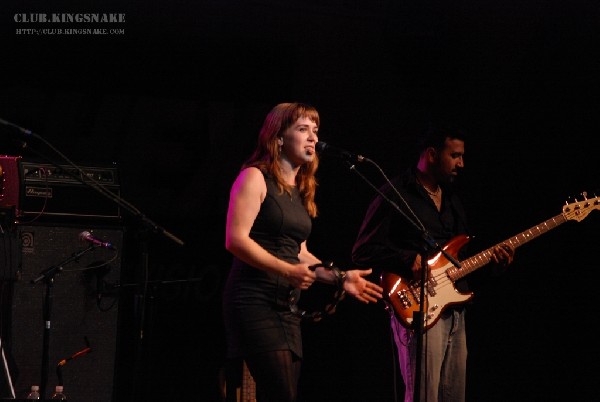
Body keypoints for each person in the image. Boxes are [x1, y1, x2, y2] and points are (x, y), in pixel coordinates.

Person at [223, 102, 383, 402]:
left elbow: (300, 253)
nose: (313, 137)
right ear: (279, 137)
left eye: (315, 130)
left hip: (286, 308)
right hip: (253, 300)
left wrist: (340, 277)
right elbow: (235, 240)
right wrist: (286, 270)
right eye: (302, 129)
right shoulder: (254, 178)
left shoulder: (300, 189)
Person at [351, 124, 515, 402]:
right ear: (431, 154)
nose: (461, 164)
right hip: (417, 306)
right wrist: (406, 258)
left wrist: (496, 265)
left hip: (454, 310)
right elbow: (362, 250)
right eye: (455, 156)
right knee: (423, 396)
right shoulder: (396, 193)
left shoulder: (452, 200)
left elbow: (460, 261)